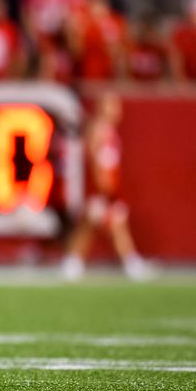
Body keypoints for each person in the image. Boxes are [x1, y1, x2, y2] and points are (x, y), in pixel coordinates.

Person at [61, 92, 151, 281]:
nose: (116, 111)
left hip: (107, 185)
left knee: (94, 225)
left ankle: (73, 262)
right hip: (100, 187)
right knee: (111, 224)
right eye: (111, 106)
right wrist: (103, 186)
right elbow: (94, 160)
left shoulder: (109, 130)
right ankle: (130, 263)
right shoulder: (98, 129)